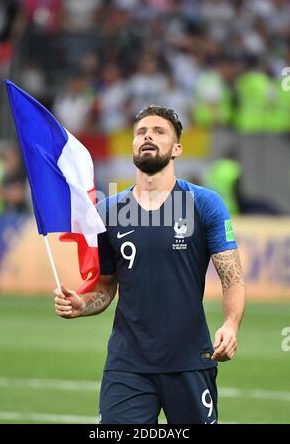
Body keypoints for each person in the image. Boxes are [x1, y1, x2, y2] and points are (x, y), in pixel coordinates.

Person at [54, 105, 246, 424]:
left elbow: (233, 277)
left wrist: (230, 324)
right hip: (127, 364)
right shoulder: (107, 211)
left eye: (159, 132)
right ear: (133, 145)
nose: (148, 136)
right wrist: (82, 303)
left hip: (189, 360)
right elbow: (105, 286)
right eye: (141, 132)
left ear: (177, 149)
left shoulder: (204, 203)